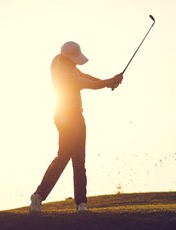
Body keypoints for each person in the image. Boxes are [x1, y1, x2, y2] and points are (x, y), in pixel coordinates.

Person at [29, 41, 123, 212]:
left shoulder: (59, 60)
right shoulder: (65, 73)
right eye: (75, 59)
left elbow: (85, 76)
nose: (76, 62)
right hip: (66, 118)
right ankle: (38, 196)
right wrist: (109, 81)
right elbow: (89, 84)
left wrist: (109, 81)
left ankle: (81, 204)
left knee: (79, 160)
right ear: (68, 58)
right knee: (64, 157)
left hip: (76, 117)